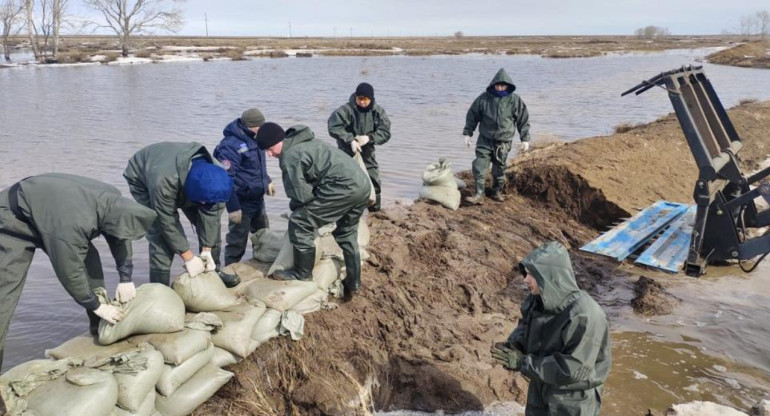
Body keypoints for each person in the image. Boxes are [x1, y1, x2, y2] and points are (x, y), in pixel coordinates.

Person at [0, 173, 157, 371]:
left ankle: (99, 330)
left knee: (91, 267)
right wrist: (95, 305)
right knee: (5, 293)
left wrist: (125, 277)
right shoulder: (72, 225)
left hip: (51, 211)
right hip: (13, 219)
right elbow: (69, 271)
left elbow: (120, 236)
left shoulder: (115, 203)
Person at [491, 241, 611, 416]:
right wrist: (514, 346)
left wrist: (522, 363)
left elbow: (573, 369)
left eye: (531, 274)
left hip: (572, 400)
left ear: (551, 277)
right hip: (541, 386)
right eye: (526, 273)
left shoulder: (585, 315)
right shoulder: (537, 299)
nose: (525, 280)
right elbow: (526, 326)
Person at [255, 122, 370, 300]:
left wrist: (297, 212)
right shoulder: (305, 141)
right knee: (346, 232)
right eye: (266, 151)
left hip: (344, 188)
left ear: (280, 140)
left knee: (300, 222)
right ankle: (354, 282)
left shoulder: (290, 156)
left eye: (270, 149)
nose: (269, 154)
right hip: (362, 185)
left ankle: (302, 273)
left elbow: (301, 196)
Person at [123, 142, 238, 288]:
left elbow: (212, 218)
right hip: (144, 179)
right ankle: (160, 287)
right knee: (160, 233)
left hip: (190, 181)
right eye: (201, 202)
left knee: (211, 227)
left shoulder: (218, 180)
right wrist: (188, 256)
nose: (204, 205)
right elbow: (167, 221)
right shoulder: (163, 182)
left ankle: (213, 271)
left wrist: (207, 250)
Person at [213, 108, 275, 266]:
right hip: (241, 202)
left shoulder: (256, 139)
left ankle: (261, 265)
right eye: (259, 127)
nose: (262, 130)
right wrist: (233, 208)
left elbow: (256, 167)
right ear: (250, 126)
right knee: (237, 242)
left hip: (257, 199)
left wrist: (267, 180)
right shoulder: (230, 146)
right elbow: (226, 178)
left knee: (263, 236)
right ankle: (229, 271)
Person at [462, 68, 531, 205]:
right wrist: (468, 133)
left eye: (503, 85)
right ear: (493, 84)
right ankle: (479, 194)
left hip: (503, 141)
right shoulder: (484, 98)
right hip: (485, 139)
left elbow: (523, 119)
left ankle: (496, 191)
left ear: (507, 85)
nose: (500, 87)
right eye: (498, 85)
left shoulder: (514, 100)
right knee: (480, 165)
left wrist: (525, 139)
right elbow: (472, 115)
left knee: (500, 167)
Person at [328, 82, 391, 212]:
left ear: (371, 99)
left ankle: (375, 211)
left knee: (373, 181)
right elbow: (333, 127)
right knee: (346, 182)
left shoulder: (378, 112)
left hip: (367, 151)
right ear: (355, 97)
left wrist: (369, 138)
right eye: (359, 98)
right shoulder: (346, 110)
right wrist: (350, 140)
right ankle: (346, 212)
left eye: (365, 99)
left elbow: (385, 132)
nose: (362, 102)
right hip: (347, 151)